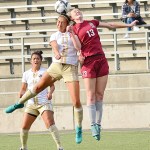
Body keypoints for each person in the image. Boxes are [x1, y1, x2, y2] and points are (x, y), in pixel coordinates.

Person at [5, 14, 83, 144]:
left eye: (61, 23)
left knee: (76, 101)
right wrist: (56, 52)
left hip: (70, 67)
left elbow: (78, 48)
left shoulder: (73, 33)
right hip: (56, 66)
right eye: (57, 22)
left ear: (67, 24)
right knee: (37, 87)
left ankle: (79, 128)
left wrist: (72, 34)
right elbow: (53, 45)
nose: (59, 24)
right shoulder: (54, 35)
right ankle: (19, 103)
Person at [69, 8, 138, 141]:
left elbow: (110, 25)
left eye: (78, 10)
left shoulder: (92, 22)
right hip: (88, 62)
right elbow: (78, 47)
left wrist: (128, 25)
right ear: (72, 17)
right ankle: (92, 124)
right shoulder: (74, 28)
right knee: (91, 95)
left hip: (100, 58)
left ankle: (98, 125)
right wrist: (71, 33)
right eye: (74, 11)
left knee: (100, 94)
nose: (77, 11)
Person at [17, 51, 63, 150]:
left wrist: (50, 93)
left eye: (38, 58)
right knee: (24, 127)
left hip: (44, 103)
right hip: (31, 104)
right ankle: (24, 147)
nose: (36, 60)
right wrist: (21, 94)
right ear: (30, 61)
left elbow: (52, 86)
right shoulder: (26, 74)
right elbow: (23, 88)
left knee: (50, 124)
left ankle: (59, 147)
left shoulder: (46, 72)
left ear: (41, 61)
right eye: (34, 58)